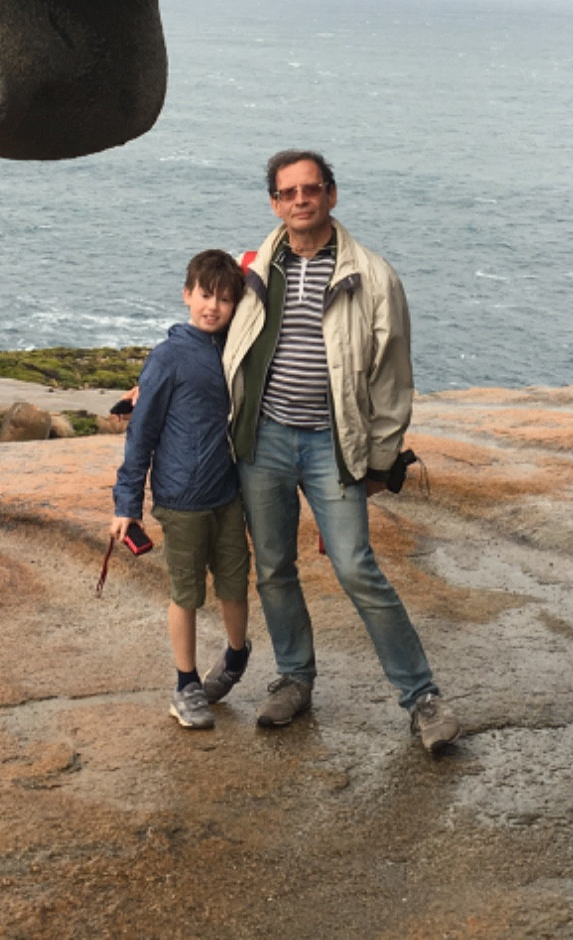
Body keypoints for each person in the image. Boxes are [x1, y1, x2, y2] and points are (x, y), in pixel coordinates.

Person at [224, 150, 460, 753]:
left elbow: (391, 376)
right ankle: (294, 679)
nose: (300, 200)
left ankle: (422, 697)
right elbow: (212, 333)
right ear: (274, 203)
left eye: (312, 189)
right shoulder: (252, 267)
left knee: (356, 567)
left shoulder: (373, 275)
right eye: (288, 192)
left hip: (334, 444)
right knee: (273, 566)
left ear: (331, 195)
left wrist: (382, 459)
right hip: (264, 439)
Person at [111, 250, 254, 729]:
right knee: (187, 593)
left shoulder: (235, 348)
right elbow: (142, 432)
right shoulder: (168, 357)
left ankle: (236, 657)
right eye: (205, 295)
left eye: (225, 299)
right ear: (187, 294)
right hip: (180, 499)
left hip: (227, 495)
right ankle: (185, 684)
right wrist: (126, 503)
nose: (213, 306)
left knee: (235, 585)